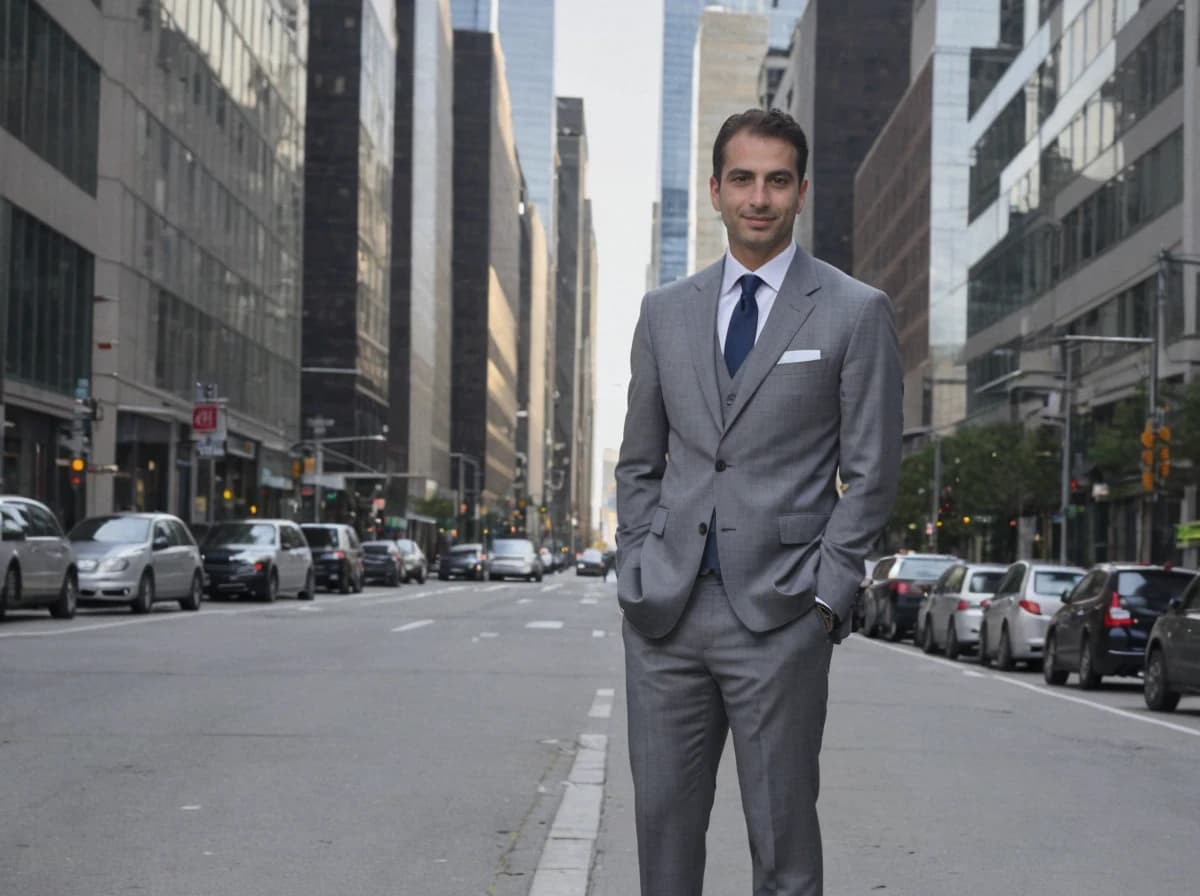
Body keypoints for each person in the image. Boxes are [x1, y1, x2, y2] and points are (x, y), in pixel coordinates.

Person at [615, 108, 902, 896]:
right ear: (715, 190)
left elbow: (872, 473)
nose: (759, 197)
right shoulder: (663, 312)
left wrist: (827, 597)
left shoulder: (854, 309)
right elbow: (639, 462)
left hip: (782, 616)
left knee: (783, 849)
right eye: (742, 178)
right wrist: (635, 564)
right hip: (665, 614)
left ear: (801, 192)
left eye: (778, 180)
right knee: (663, 846)